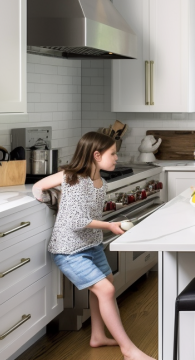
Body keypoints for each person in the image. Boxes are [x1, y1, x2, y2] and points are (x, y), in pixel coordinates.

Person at [33, 132, 155, 360]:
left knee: (106, 285)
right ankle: (128, 350)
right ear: (96, 155)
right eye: (113, 153)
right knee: (106, 290)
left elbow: (86, 214)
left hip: (91, 245)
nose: (117, 158)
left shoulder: (101, 181)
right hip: (69, 251)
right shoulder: (74, 179)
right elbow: (73, 217)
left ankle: (98, 336)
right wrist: (51, 198)